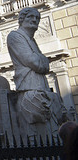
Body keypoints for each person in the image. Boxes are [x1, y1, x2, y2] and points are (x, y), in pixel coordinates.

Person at [7, 7, 67, 135]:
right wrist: (42, 61)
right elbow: (36, 62)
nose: (34, 20)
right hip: (29, 88)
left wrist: (42, 62)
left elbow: (42, 64)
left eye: (37, 18)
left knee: (50, 129)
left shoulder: (31, 40)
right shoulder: (15, 36)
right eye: (30, 17)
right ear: (22, 19)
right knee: (40, 132)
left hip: (40, 87)